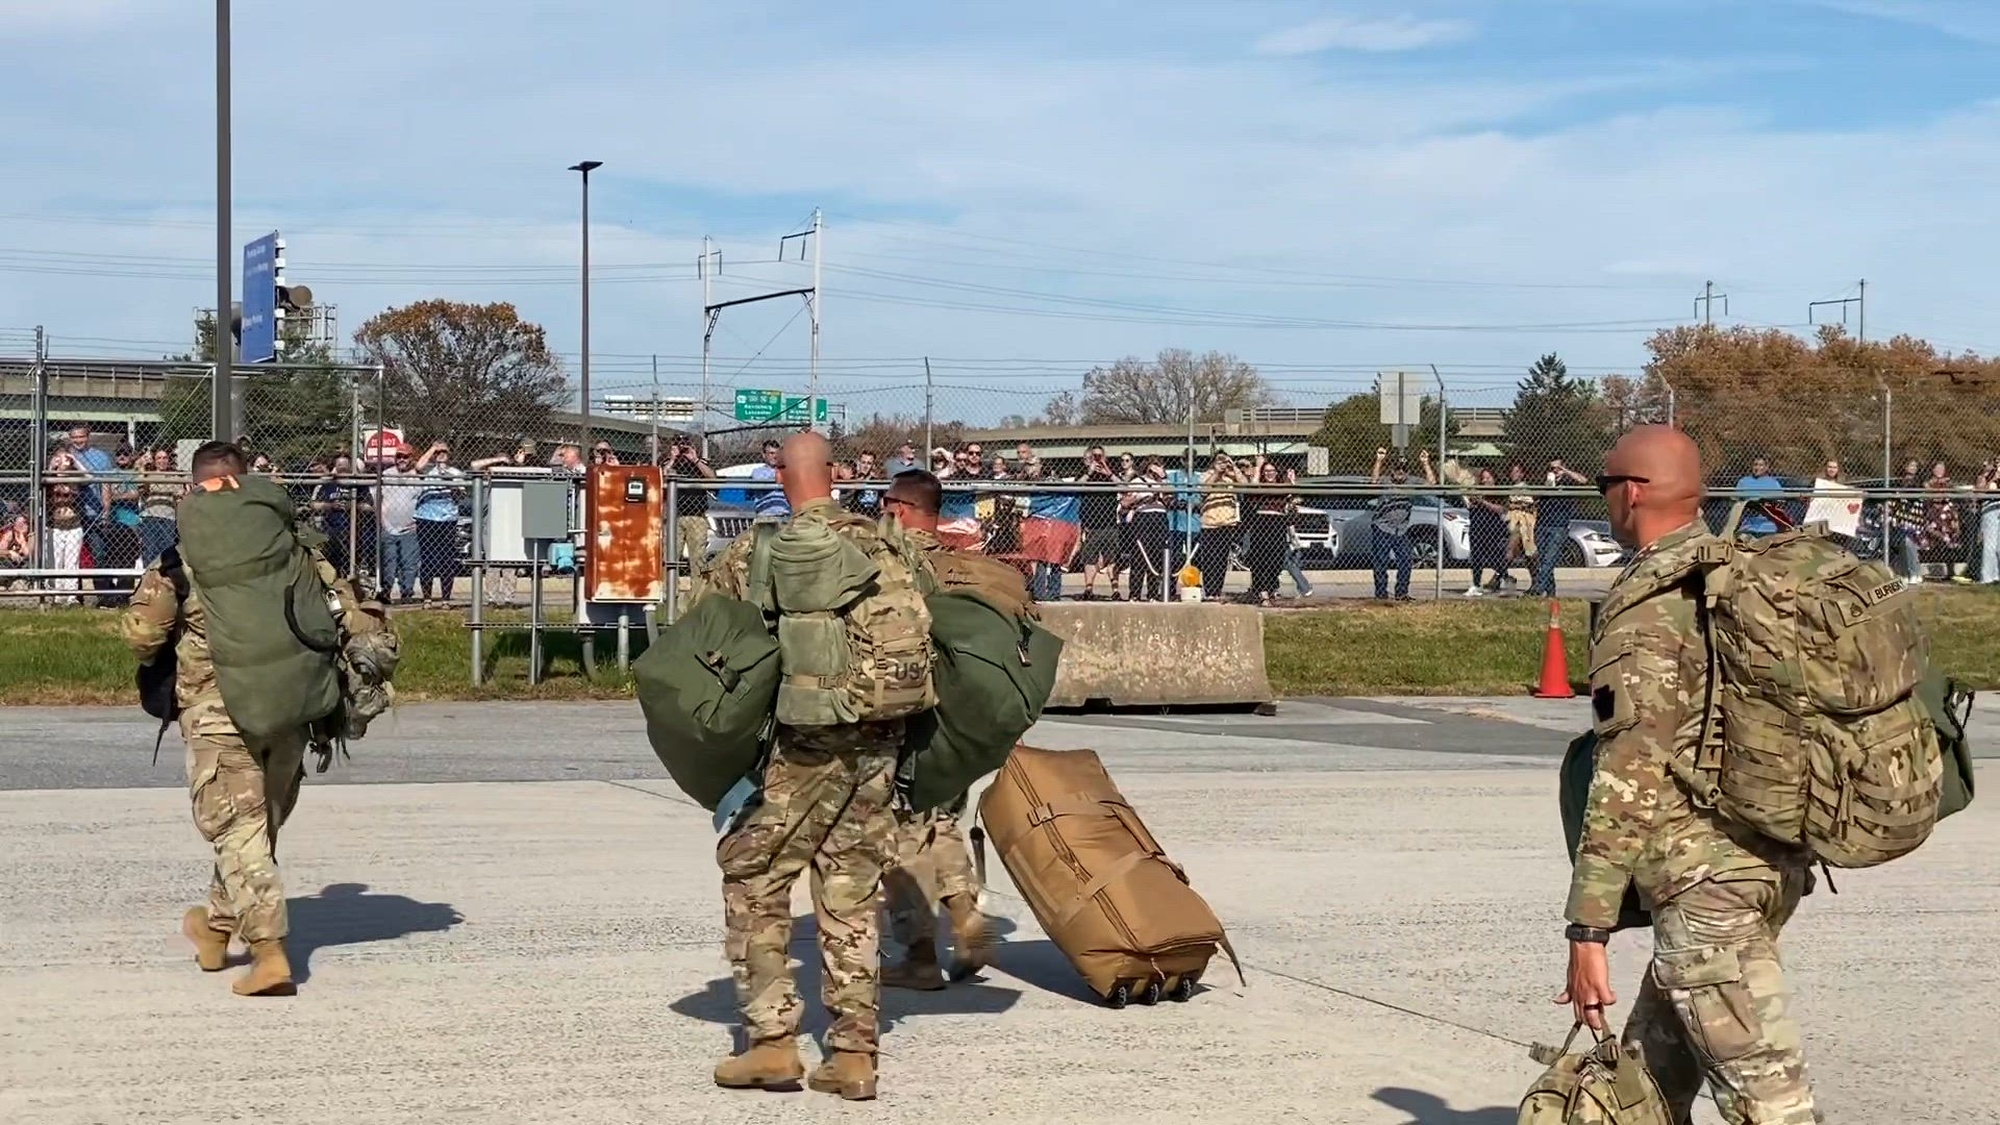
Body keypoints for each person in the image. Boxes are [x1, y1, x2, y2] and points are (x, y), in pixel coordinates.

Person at [1559, 425, 1817, 1125]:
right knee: (1635, 1093)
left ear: (1632, 492)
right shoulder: (1736, 571)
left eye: (1605, 486)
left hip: (1707, 893)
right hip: (1768, 862)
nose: (1605, 500)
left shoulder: (1650, 602)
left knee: (1769, 1104)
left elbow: (1627, 769)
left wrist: (1589, 930)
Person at [700, 432, 910, 1102]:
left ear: (780, 473)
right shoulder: (887, 545)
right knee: (849, 893)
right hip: (879, 744)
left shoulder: (757, 551)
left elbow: (702, 637)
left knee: (754, 875)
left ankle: (771, 1043)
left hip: (804, 746)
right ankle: (853, 1056)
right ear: (838, 475)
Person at [119, 442, 334, 999]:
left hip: (219, 713)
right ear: (246, 484)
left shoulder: (179, 559)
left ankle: (269, 955)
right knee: (257, 830)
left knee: (238, 831)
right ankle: (214, 927)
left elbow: (143, 635)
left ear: (195, 488)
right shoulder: (292, 549)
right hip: (290, 706)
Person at [876, 469, 1003, 990]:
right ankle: (966, 914)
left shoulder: (890, 564)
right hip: (957, 723)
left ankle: (920, 953)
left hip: (904, 714)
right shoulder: (965, 564)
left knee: (899, 831)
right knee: (943, 819)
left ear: (899, 508)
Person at [1368, 448, 1434, 602]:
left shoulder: (1412, 481)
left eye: (1404, 469)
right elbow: (1373, 483)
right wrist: (1379, 461)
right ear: (1391, 470)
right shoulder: (1386, 480)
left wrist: (1425, 464)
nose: (1400, 472)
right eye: (1397, 469)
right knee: (1381, 562)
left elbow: (1431, 484)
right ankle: (1381, 594)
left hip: (1401, 529)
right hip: (1382, 527)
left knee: (1405, 560)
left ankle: (1401, 593)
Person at [1531, 457, 1590, 596]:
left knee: (1550, 558)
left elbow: (1584, 481)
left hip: (1559, 525)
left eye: (1557, 468)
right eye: (1552, 468)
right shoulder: (1545, 481)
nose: (1554, 471)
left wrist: (1565, 472)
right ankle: (1551, 593)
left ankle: (1538, 589)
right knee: (1542, 560)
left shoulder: (1568, 481)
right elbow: (1534, 497)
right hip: (1542, 524)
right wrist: (1546, 485)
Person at [1196, 453, 1247, 600]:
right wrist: (1217, 473)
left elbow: (1245, 485)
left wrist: (1234, 467)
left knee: (1221, 559)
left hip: (1227, 522)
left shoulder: (1231, 477)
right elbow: (1203, 491)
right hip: (1210, 523)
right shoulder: (1207, 475)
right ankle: (1210, 591)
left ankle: (1217, 590)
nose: (1223, 463)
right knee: (1210, 559)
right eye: (1219, 461)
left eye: (1225, 461)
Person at [1735, 455, 1785, 538]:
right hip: (1748, 523)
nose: (1757, 467)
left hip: (1768, 524)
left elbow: (1780, 502)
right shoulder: (1743, 481)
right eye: (1755, 464)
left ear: (1766, 467)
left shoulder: (1773, 483)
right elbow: (1735, 501)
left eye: (1761, 465)